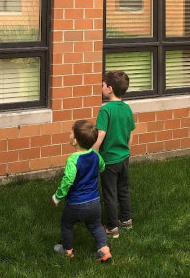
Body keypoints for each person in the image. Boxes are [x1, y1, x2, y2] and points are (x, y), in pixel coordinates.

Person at [52, 119, 112, 263]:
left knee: (67, 224)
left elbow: (67, 180)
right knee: (96, 225)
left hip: (75, 204)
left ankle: (67, 251)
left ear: (75, 141)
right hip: (94, 202)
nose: (69, 134)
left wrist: (58, 196)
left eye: (71, 132)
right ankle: (104, 251)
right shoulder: (96, 155)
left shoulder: (73, 160)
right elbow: (102, 167)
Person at [93, 71, 135, 239]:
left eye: (103, 85)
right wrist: (126, 151)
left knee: (110, 194)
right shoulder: (127, 108)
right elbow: (131, 134)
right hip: (124, 158)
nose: (101, 87)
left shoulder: (105, 110)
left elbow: (100, 134)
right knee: (123, 190)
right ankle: (126, 220)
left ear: (109, 89)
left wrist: (91, 152)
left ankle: (112, 228)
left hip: (109, 160)